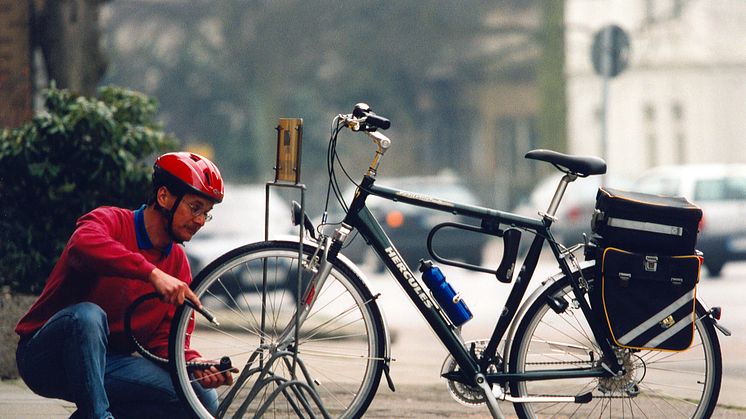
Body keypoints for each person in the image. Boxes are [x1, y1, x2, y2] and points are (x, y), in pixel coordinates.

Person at [15, 152, 232, 418]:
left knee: (200, 398)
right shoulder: (111, 221)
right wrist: (150, 273)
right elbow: (82, 244)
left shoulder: (178, 264)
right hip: (45, 358)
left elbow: (164, 341)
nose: (200, 220)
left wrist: (195, 364)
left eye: (206, 214)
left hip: (109, 363)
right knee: (87, 316)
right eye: (195, 207)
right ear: (163, 197)